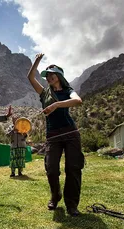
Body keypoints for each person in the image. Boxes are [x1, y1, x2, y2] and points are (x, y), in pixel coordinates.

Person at [27, 53, 84, 217]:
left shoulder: (68, 91)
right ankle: (55, 195)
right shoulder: (44, 93)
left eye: (52, 74)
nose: (49, 77)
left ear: (59, 76)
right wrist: (37, 61)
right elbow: (30, 77)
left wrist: (57, 105)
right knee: (51, 168)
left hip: (70, 132)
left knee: (73, 168)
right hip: (52, 135)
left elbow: (78, 100)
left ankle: (72, 204)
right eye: (47, 76)